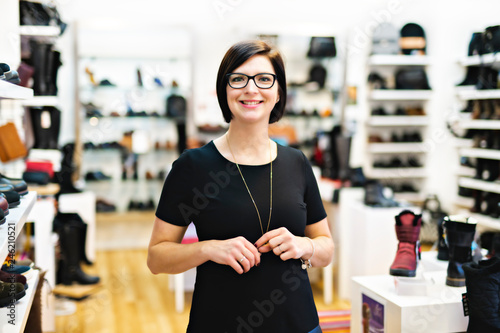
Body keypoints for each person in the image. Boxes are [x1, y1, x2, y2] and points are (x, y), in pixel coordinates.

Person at [147, 40, 334, 333]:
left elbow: (326, 249)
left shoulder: (296, 163)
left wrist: (304, 245)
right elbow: (157, 258)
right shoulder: (193, 166)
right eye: (238, 79)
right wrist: (208, 249)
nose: (251, 89)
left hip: (298, 323)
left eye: (264, 79)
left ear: (278, 92)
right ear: (225, 91)